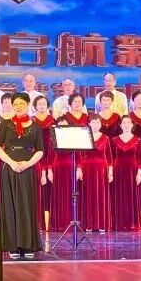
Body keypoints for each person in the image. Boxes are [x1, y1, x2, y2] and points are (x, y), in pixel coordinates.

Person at [0, 93, 45, 259]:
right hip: (9, 168)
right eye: (15, 104)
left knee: (26, 205)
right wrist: (11, 163)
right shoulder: (6, 124)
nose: (18, 107)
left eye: (22, 103)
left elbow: (40, 150)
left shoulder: (36, 126)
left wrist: (27, 164)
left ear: (28, 104)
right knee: (10, 205)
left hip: (27, 169)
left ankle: (27, 244)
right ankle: (13, 246)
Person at [48, 93, 89, 231]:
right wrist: (49, 171)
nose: (63, 127)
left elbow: (79, 153)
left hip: (73, 165)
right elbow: (50, 155)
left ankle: (74, 221)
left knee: (73, 194)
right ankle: (59, 223)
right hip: (58, 166)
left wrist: (79, 167)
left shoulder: (74, 136)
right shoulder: (54, 138)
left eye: (79, 101)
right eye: (60, 125)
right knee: (59, 194)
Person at [110, 115, 141, 232]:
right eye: (124, 123)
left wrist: (139, 173)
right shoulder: (114, 140)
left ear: (132, 125)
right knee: (118, 196)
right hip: (118, 171)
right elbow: (111, 158)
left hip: (132, 171)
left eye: (129, 123)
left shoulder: (138, 140)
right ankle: (119, 223)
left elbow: (140, 159)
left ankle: (133, 223)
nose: (126, 125)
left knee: (132, 196)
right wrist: (111, 173)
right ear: (120, 125)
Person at [79, 116, 113, 232]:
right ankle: (89, 224)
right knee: (88, 195)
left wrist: (110, 173)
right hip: (87, 169)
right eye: (93, 122)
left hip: (101, 170)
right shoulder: (84, 137)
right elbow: (80, 156)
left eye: (97, 122)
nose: (95, 125)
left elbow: (109, 158)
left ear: (100, 124)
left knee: (101, 195)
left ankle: (101, 224)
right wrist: (79, 169)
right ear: (89, 124)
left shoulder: (105, 138)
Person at [30, 95, 55, 231]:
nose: (41, 106)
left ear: (47, 106)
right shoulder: (31, 120)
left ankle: (49, 222)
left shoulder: (53, 120)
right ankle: (36, 221)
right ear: (35, 106)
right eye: (39, 104)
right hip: (35, 152)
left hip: (50, 151)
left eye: (44, 103)